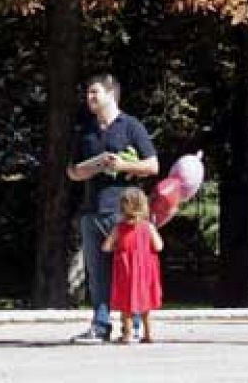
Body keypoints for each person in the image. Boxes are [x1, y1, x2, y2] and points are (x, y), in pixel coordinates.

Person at [67, 73, 158, 345]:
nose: (89, 97)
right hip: (92, 210)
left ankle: (134, 325)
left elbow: (152, 165)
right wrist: (96, 164)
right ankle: (100, 325)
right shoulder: (85, 131)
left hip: (126, 215)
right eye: (88, 93)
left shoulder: (131, 126)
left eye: (94, 92)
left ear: (111, 94)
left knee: (131, 271)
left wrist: (123, 165)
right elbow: (72, 172)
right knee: (97, 274)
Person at [102, 186, 163, 345]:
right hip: (145, 272)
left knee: (126, 304)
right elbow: (159, 246)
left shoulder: (119, 228)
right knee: (146, 304)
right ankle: (148, 334)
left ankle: (127, 334)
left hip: (126, 270)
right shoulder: (148, 227)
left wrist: (118, 247)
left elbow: (106, 247)